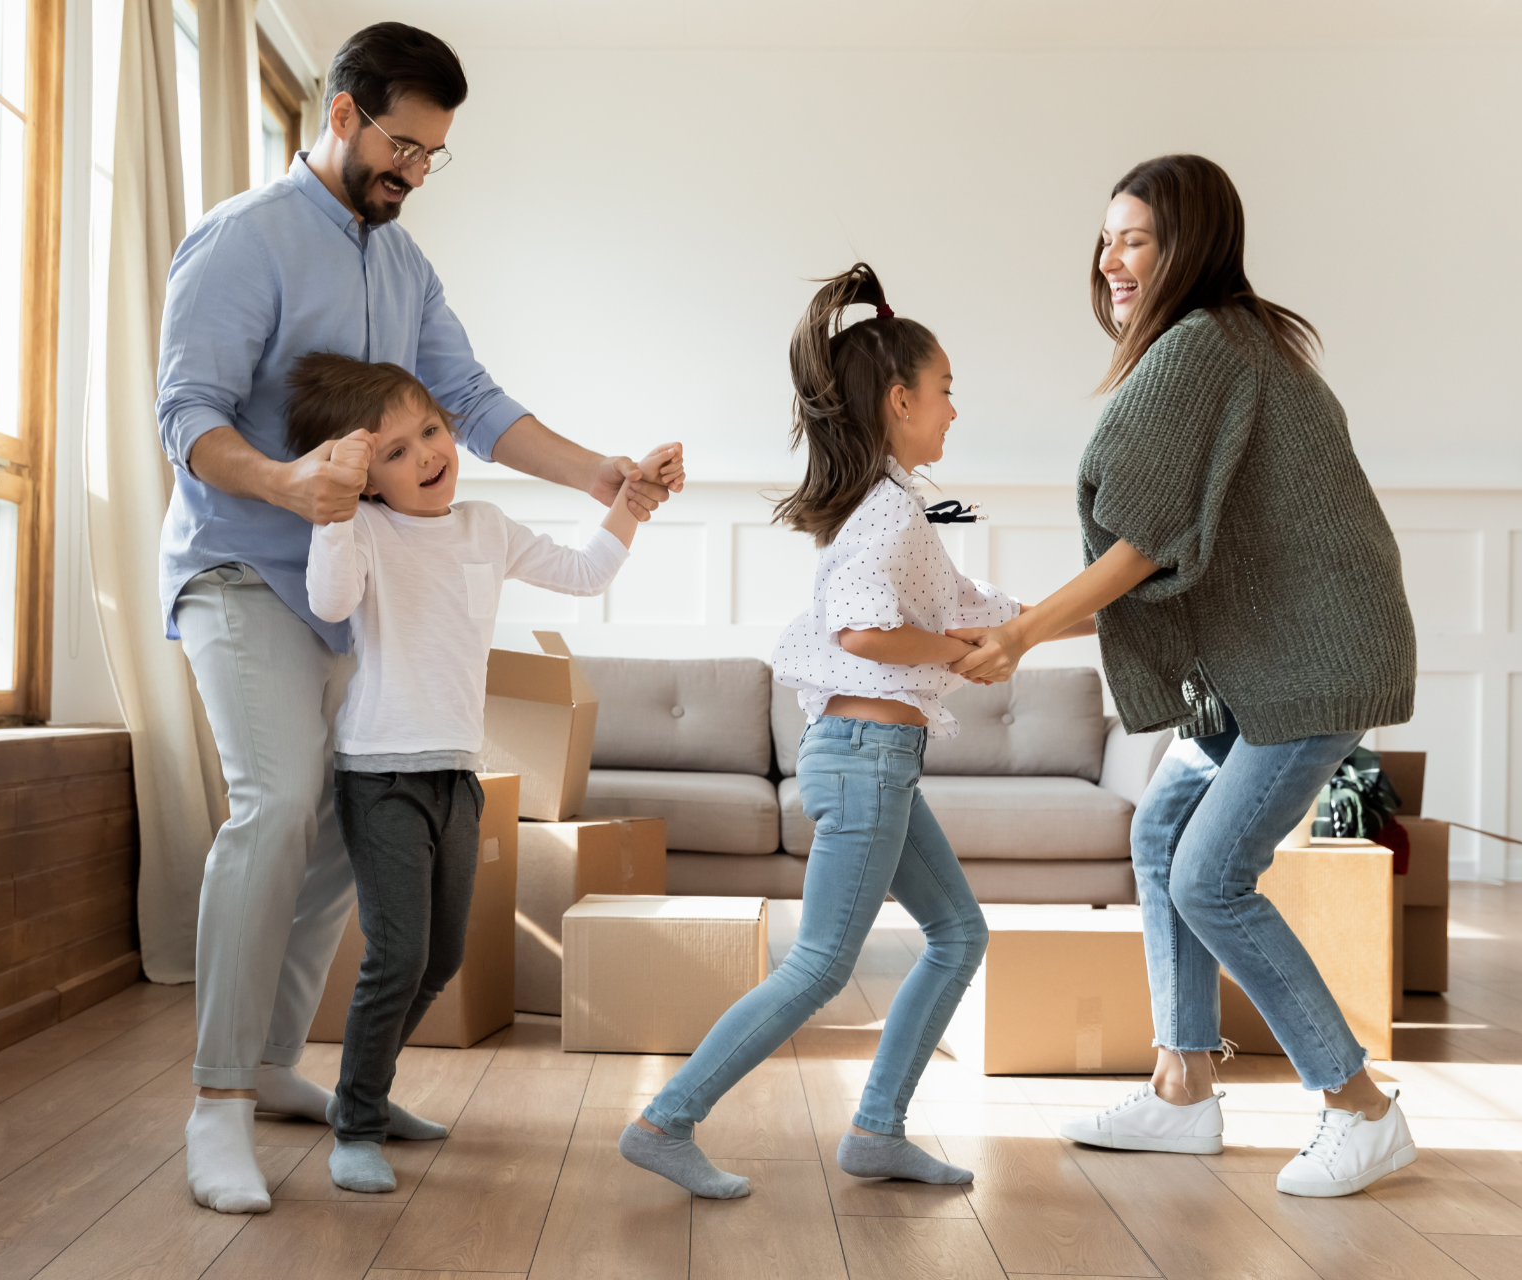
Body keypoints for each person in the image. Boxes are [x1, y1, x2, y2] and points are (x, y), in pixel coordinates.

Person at [156, 22, 682, 1214]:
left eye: (434, 156)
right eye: (402, 146)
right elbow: (184, 415)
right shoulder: (244, 240)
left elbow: (478, 403)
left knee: (348, 834)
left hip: (359, 595)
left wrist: (602, 474)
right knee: (279, 797)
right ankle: (216, 1102)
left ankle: (276, 1058)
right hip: (244, 570)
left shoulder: (403, 267)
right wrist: (291, 484)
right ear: (339, 116)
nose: (413, 174)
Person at [947, 154, 1419, 1198]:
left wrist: (1022, 633)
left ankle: (1359, 1104)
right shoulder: (1236, 340)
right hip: (1270, 659)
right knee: (1162, 829)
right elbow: (1176, 534)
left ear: (1190, 246)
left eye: (1139, 239)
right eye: (1108, 237)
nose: (1114, 259)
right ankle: (1180, 1088)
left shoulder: (1203, 346)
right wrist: (1025, 628)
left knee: (1209, 871)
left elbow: (1146, 541)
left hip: (1310, 659)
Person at [621, 264, 1081, 1199]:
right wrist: (958, 653)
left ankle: (876, 1129)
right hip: (867, 760)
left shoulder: (888, 507)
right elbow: (864, 631)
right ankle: (665, 1121)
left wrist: (1107, 607)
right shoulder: (891, 508)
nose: (956, 409)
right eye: (945, 391)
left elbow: (990, 609)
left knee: (958, 933)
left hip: (879, 760)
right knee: (824, 965)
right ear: (901, 400)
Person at [288, 354, 644, 1193]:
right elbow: (330, 602)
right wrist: (334, 508)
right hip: (380, 774)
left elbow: (585, 574)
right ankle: (358, 1123)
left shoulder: (486, 527)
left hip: (457, 772)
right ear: (369, 482)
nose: (427, 455)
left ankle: (359, 1096)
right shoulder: (365, 530)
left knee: (442, 957)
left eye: (432, 432)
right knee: (398, 954)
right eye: (397, 453)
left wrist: (631, 503)